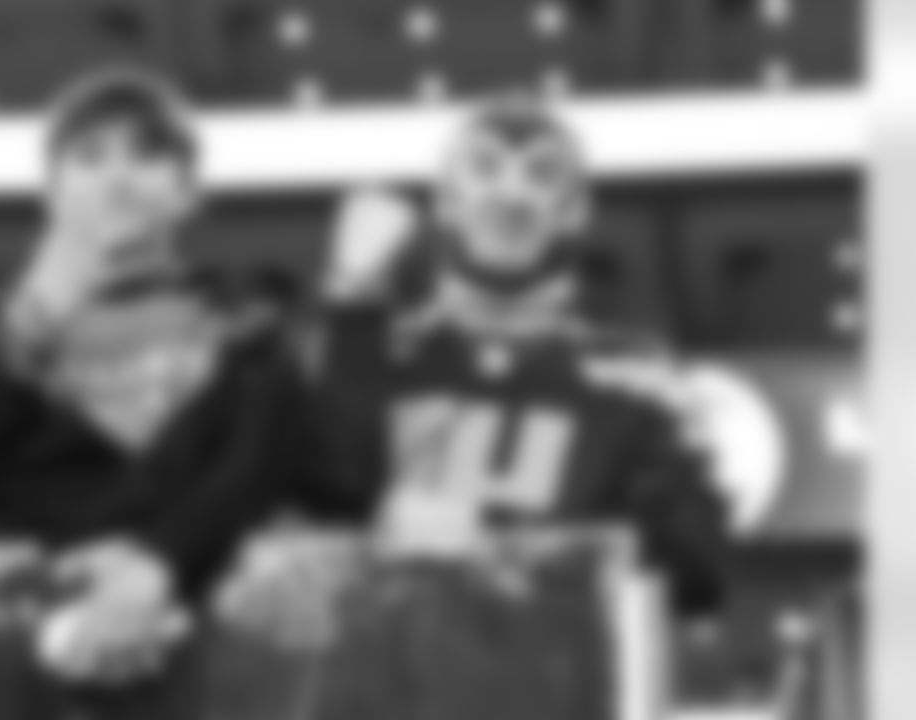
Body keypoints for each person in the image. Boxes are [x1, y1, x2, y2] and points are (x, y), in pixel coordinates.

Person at [212, 92, 734, 720]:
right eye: (484, 168)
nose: (511, 194)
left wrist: (505, 548)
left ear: (575, 212)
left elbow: (699, 570)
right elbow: (308, 511)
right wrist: (351, 303)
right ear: (445, 203)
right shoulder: (370, 349)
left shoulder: (635, 372)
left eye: (541, 174)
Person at [0, 67, 322, 705]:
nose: (118, 178)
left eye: (148, 155)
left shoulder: (251, 322)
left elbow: (255, 470)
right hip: (23, 658)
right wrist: (27, 337)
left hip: (213, 653)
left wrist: (155, 558)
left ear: (188, 192)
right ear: (52, 191)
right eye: (89, 156)